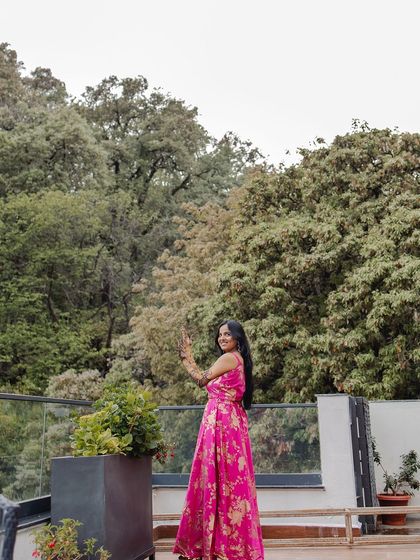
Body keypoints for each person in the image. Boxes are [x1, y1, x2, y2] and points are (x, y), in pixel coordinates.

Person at [173, 320, 264, 560]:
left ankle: (216, 548)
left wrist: (186, 357)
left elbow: (200, 379)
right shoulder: (235, 360)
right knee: (228, 482)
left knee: (220, 481)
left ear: (237, 338)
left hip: (223, 424)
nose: (222, 337)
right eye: (220, 334)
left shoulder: (229, 358)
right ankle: (220, 547)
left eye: (227, 334)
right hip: (226, 422)